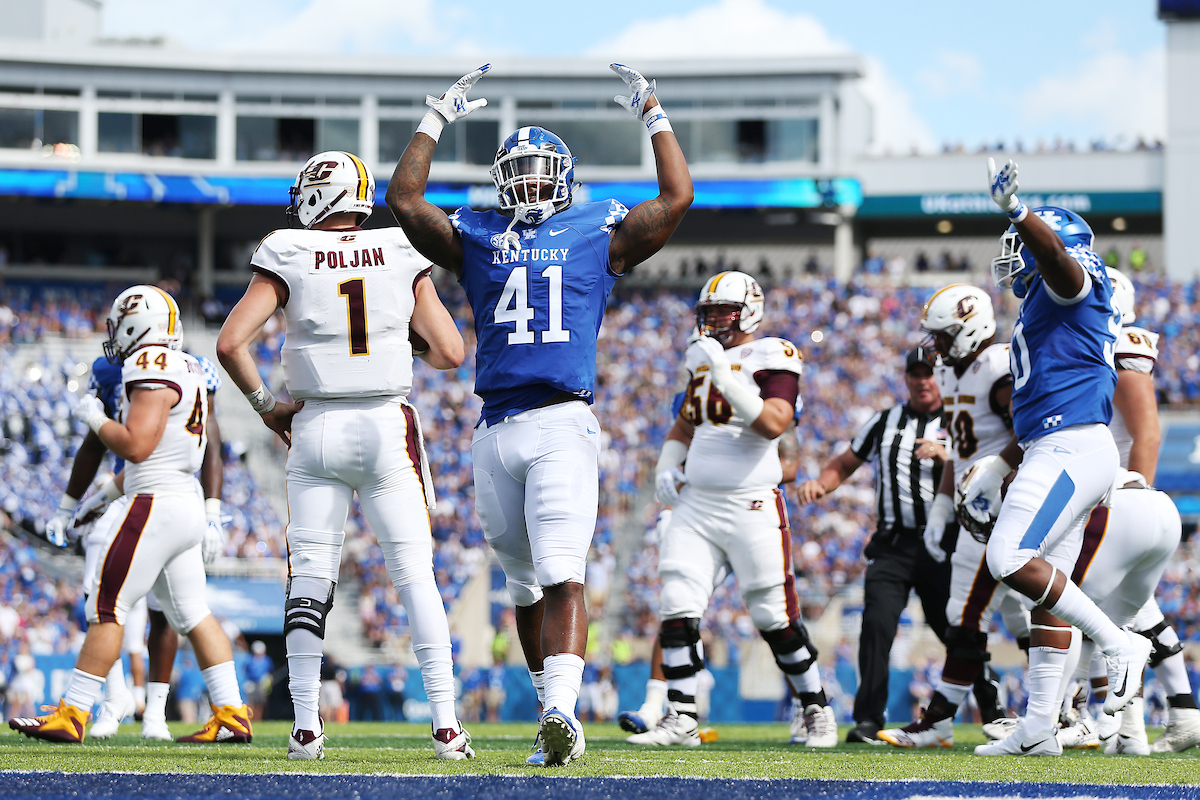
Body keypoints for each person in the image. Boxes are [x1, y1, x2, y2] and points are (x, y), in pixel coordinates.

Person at [385, 63, 692, 767]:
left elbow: (677, 197)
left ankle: (563, 711)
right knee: (522, 584)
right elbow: (404, 200)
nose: (526, 180)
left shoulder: (596, 227)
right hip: (494, 427)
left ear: (563, 174)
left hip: (560, 421)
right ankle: (546, 704)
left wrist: (652, 111)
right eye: (515, 169)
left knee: (561, 572)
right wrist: (436, 116)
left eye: (538, 168)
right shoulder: (479, 231)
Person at [216, 150, 472, 761]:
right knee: (415, 576)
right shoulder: (401, 248)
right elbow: (450, 351)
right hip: (386, 424)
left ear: (318, 194)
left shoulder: (286, 249)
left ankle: (305, 725)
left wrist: (265, 406)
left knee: (308, 577)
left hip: (315, 424)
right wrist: (395, 338)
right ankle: (445, 726)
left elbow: (230, 343)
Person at [965, 159, 1152, 757]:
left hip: (1073, 446)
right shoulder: (1046, 309)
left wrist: (1019, 211)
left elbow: (1059, 265)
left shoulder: (1070, 282)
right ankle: (1039, 728)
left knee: (1009, 557)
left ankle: (1118, 643)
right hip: (1059, 443)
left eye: (1019, 243)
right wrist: (1001, 462)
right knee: (1046, 591)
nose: (1011, 252)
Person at [9, 286, 251, 745]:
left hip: (154, 504)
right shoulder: (191, 367)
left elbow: (136, 446)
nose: (115, 335)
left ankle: (74, 712)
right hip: (184, 500)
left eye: (120, 325)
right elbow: (166, 452)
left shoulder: (146, 364)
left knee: (106, 607)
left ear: (136, 325)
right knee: (193, 612)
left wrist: (94, 418)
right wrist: (96, 498)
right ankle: (231, 710)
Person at [627, 271, 835, 748]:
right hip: (696, 502)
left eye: (725, 310)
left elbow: (772, 424)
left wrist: (722, 373)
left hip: (751, 502)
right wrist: (667, 463)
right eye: (709, 312)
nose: (715, 320)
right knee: (677, 603)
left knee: (773, 617)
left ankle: (815, 707)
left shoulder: (771, 353)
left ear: (750, 311)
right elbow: (685, 424)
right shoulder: (701, 361)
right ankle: (681, 717)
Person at [799, 346, 1002, 744]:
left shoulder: (961, 418)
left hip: (945, 541)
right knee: (876, 626)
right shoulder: (884, 421)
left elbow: (992, 464)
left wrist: (948, 456)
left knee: (957, 630)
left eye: (931, 373)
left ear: (941, 378)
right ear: (907, 378)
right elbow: (846, 461)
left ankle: (992, 710)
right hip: (893, 544)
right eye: (917, 373)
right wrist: (823, 483)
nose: (924, 380)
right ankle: (868, 720)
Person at [44, 334, 225, 741]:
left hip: (158, 496)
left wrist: (215, 509)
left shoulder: (186, 370)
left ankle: (148, 712)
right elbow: (99, 448)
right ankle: (116, 698)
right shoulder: (119, 371)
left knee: (149, 608)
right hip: (142, 492)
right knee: (123, 599)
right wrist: (82, 500)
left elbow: (208, 446)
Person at [1056, 269, 1200, 754]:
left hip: (1116, 499)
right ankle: (1163, 720)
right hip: (1111, 497)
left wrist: (1134, 494)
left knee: (1078, 613)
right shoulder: (1098, 341)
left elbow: (1148, 432)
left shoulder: (1119, 343)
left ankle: (1060, 714)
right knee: (1134, 616)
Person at [877, 286, 1016, 749]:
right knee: (989, 617)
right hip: (975, 513)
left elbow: (1032, 432)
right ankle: (1055, 713)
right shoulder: (953, 372)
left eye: (943, 335)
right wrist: (941, 505)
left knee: (987, 615)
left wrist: (999, 472)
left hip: (1009, 509)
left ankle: (1070, 710)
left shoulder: (999, 365)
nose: (935, 345)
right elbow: (960, 449)